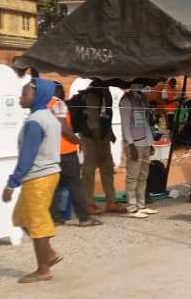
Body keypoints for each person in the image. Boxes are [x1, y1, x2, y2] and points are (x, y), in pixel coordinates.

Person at [2, 78, 63, 283]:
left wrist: (12, 183)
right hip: (47, 173)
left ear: (38, 96)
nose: (21, 97)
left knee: (36, 221)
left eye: (25, 93)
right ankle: (49, 253)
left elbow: (27, 157)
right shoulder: (48, 116)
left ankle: (43, 269)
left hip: (39, 176)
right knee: (21, 217)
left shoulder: (36, 121)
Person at [49, 83, 100, 227]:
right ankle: (84, 218)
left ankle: (54, 218)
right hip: (65, 151)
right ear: (56, 91)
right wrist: (78, 141)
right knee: (76, 184)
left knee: (55, 186)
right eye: (62, 89)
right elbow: (63, 127)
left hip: (51, 152)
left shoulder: (44, 104)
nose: (64, 92)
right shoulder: (58, 104)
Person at [78, 80, 119, 214]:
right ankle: (88, 204)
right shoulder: (92, 95)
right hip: (91, 137)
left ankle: (111, 202)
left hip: (103, 135)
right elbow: (93, 122)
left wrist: (110, 132)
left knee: (107, 168)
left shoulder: (104, 92)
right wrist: (100, 146)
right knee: (89, 171)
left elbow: (106, 115)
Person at [120, 81, 158, 219]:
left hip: (145, 141)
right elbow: (125, 125)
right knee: (132, 176)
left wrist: (150, 142)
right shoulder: (126, 100)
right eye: (141, 84)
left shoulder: (142, 99)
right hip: (135, 144)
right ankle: (131, 207)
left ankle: (141, 205)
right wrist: (130, 145)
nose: (143, 87)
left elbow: (146, 123)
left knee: (143, 175)